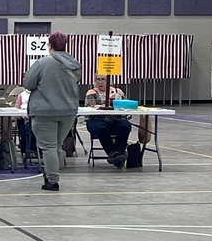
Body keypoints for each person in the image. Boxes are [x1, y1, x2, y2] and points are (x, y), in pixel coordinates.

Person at [23, 31, 81, 191]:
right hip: (68, 111)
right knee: (55, 145)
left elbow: (28, 84)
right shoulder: (75, 64)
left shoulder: (42, 63)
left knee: (48, 147)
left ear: (49, 46)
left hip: (45, 111)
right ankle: (50, 172)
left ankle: (52, 180)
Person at [84, 73, 131, 169]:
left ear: (109, 80)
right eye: (98, 79)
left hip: (117, 118)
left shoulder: (118, 91)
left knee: (125, 127)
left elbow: (126, 105)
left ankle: (115, 154)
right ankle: (116, 155)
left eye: (103, 79)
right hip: (97, 119)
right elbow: (90, 106)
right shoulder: (91, 92)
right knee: (101, 129)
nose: (100, 82)